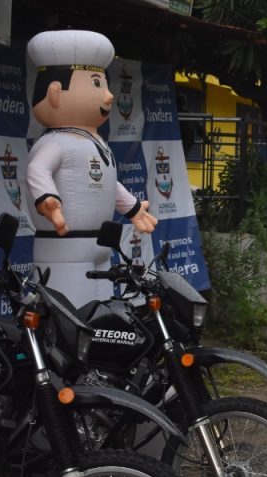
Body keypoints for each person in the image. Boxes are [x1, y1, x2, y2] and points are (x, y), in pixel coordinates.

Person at [26, 30, 157, 307]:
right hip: (65, 248)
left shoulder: (95, 142)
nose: (109, 96)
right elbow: (37, 171)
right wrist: (47, 198)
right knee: (72, 314)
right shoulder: (54, 142)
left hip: (99, 246)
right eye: (97, 84)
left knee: (103, 316)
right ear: (55, 93)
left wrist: (132, 208)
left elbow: (107, 184)